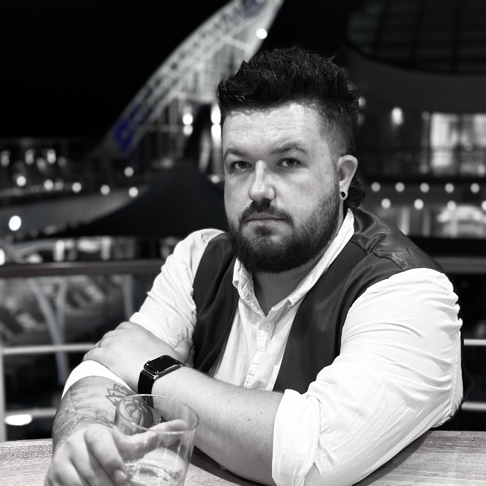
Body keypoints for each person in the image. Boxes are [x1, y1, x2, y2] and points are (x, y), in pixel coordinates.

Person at [45, 47, 470, 486]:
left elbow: (311, 457)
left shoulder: (408, 290)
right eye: (240, 165)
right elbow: (105, 368)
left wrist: (155, 372)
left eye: (289, 162)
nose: (258, 189)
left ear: (342, 176)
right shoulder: (199, 259)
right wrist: (86, 435)